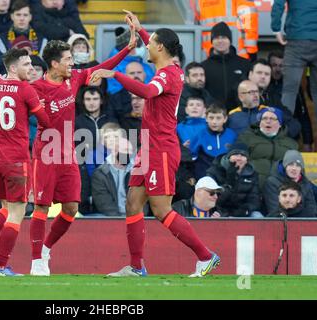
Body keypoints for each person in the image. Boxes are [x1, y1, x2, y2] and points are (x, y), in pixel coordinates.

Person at [90, 11, 220, 278]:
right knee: (133, 205)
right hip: (148, 148)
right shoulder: (170, 68)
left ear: (160, 48)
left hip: (160, 149)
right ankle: (137, 267)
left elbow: (147, 92)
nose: (145, 45)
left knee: (161, 210)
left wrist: (114, 75)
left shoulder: (166, 76)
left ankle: (206, 256)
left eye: (149, 43)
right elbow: (157, 49)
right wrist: (141, 28)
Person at [29, 29, 137, 276]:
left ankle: (45, 248)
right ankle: (36, 261)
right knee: (41, 208)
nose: (72, 63)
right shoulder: (37, 88)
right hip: (46, 155)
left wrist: (127, 49)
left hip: (68, 156)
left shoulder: (74, 79)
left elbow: (102, 67)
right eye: (67, 59)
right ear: (55, 63)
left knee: (70, 209)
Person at [0, 47, 51, 277]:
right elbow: (45, 120)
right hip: (16, 159)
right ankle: (1, 266)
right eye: (26, 65)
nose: (31, 69)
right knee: (17, 212)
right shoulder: (25, 89)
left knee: (5, 208)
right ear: (13, 67)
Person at [271, 0, 317, 145]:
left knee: (289, 91)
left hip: (297, 40)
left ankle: (282, 136)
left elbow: (278, 4)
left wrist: (276, 29)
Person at [236, 107, 298, 190]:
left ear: (280, 124)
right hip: (252, 188)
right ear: (259, 122)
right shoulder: (246, 138)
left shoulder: (291, 144)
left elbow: (298, 169)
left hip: (280, 190)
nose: (268, 121)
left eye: (272, 119)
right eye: (264, 118)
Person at [268, 50, 313, 151]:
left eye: (281, 66)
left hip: (290, 138)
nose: (278, 69)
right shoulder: (263, 86)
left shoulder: (293, 87)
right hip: (266, 138)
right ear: (269, 66)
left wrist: (307, 141)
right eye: (274, 65)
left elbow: (303, 115)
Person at [201, 22, 251, 111]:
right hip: (213, 117)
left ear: (230, 40)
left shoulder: (244, 64)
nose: (220, 41)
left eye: (224, 37)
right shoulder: (204, 66)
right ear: (212, 41)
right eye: (216, 38)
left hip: (239, 114)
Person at [248, 59, 301, 139]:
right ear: (250, 75)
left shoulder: (273, 96)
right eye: (259, 73)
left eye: (267, 74)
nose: (263, 77)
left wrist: (279, 136)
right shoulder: (240, 94)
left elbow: (291, 122)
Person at [206, 142, 262, 217]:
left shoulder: (252, 174)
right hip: (219, 211)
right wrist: (229, 183)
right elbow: (213, 200)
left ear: (247, 159)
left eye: (243, 155)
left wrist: (245, 209)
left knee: (257, 215)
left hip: (241, 212)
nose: (239, 158)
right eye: (235, 154)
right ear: (229, 156)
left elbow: (255, 200)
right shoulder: (215, 171)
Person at [194, 0, 258, 60]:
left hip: (209, 55)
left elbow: (196, 26)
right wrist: (252, 51)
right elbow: (249, 22)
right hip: (237, 54)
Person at [263, 150, 317, 217]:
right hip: (279, 221)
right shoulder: (272, 182)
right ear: (285, 166)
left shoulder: (305, 182)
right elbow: (274, 210)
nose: (294, 168)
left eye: (298, 165)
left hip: (302, 220)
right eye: (291, 165)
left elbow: (311, 207)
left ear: (301, 169)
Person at [190, 104, 237, 179]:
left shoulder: (232, 135)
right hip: (204, 176)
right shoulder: (200, 135)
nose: (214, 122)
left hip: (226, 175)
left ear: (225, 119)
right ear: (206, 118)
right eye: (211, 118)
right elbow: (192, 158)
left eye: (218, 118)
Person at [91, 135, 135, 216]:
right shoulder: (101, 174)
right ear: (114, 151)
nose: (129, 153)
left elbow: (142, 201)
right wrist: (119, 220)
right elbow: (104, 204)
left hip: (133, 216)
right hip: (110, 218)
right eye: (126, 150)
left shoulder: (137, 172)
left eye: (131, 151)